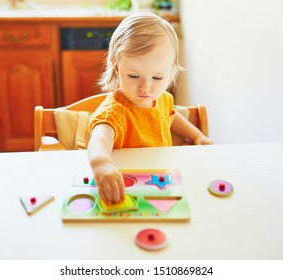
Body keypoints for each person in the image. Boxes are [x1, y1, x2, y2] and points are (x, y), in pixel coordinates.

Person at [88, 13, 212, 205]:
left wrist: (197, 136)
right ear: (117, 67)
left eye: (157, 78)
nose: (145, 87)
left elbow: (171, 116)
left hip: (160, 183)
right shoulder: (114, 112)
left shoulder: (163, 100)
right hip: (124, 186)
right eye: (134, 76)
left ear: (171, 71)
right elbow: (100, 138)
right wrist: (102, 165)